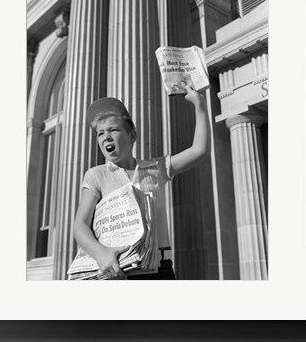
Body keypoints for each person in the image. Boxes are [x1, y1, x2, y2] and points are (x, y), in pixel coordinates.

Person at [73, 85, 210, 280]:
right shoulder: (96, 175)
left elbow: (200, 150)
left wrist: (200, 105)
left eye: (113, 129)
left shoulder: (157, 167)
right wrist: (100, 254)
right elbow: (80, 225)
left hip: (160, 268)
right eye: (100, 133)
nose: (106, 137)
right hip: (118, 267)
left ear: (132, 136)